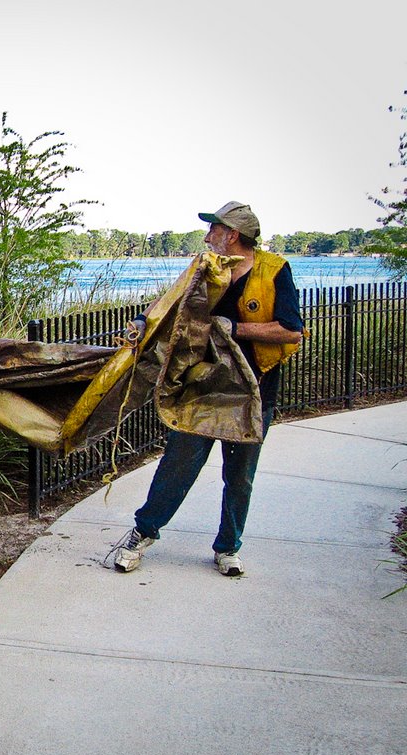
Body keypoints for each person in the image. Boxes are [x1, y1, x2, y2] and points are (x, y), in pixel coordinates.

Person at [113, 201, 304, 577]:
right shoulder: (206, 268)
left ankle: (229, 548)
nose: (207, 236)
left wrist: (234, 328)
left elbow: (291, 329)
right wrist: (140, 321)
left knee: (240, 474)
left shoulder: (275, 271)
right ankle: (142, 533)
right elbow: (168, 305)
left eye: (214, 230)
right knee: (178, 465)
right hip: (201, 387)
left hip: (252, 391)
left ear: (232, 234)